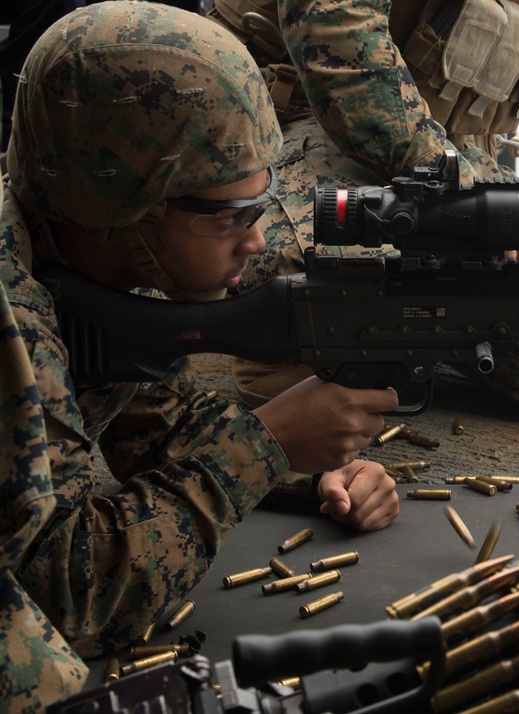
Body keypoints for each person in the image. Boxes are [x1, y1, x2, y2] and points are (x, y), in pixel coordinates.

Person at [0, 2, 399, 699]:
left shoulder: (92, 258)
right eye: (230, 218)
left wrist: (306, 470)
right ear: (121, 204)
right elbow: (62, 597)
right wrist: (263, 444)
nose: (256, 242)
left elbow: (153, 425)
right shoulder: (12, 312)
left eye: (262, 207)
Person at [208, 0, 519, 415]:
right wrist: (462, 203)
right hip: (306, 123)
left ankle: (419, 338)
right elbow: (343, 57)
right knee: (310, 294)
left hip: (453, 147)